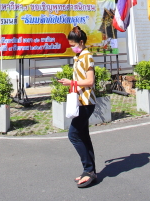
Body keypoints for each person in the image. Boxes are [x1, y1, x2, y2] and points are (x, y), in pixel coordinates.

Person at [58, 26, 98, 187]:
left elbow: (90, 81)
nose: (71, 47)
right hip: (80, 101)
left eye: (73, 44)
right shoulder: (78, 56)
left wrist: (71, 82)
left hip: (86, 102)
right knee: (83, 135)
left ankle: (89, 170)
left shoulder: (87, 56)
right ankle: (90, 170)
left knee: (73, 135)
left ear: (81, 42)